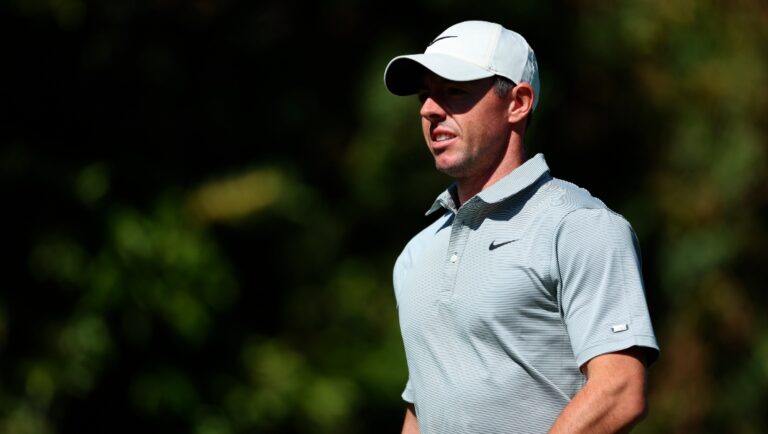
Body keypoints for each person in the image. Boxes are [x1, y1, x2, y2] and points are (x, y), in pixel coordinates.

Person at [383, 20, 659, 434]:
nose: (429, 109)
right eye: (425, 96)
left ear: (518, 102)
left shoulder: (579, 226)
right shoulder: (415, 255)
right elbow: (423, 408)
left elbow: (619, 388)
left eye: (454, 92)